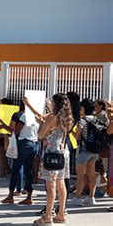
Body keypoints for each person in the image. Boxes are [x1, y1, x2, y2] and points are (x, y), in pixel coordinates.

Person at [34, 93, 73, 224]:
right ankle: (61, 213)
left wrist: (41, 123)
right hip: (63, 153)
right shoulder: (68, 117)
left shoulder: (51, 117)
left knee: (50, 185)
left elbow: (40, 135)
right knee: (61, 183)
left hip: (51, 153)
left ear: (56, 104)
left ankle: (47, 216)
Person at [0, 101, 39, 205]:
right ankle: (29, 195)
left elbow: (16, 130)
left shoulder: (24, 116)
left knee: (16, 169)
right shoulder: (37, 118)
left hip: (24, 143)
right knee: (28, 170)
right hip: (34, 144)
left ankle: (10, 195)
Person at [70, 98, 106, 206]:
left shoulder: (83, 120)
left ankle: (77, 197)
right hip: (94, 150)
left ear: (84, 108)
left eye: (81, 108)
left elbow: (77, 137)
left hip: (84, 150)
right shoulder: (96, 120)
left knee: (81, 175)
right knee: (91, 175)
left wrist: (71, 131)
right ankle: (91, 197)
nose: (80, 109)